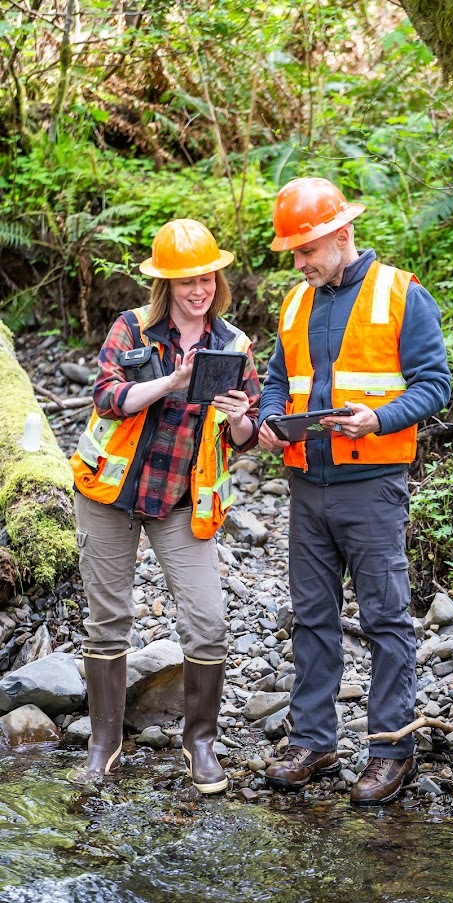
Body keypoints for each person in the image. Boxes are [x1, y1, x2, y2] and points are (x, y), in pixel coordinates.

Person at [258, 178, 451, 806]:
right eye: (294, 252)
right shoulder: (294, 303)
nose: (301, 262)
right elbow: (274, 383)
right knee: (311, 618)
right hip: (306, 487)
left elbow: (434, 385)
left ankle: (393, 748)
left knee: (386, 618)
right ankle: (313, 741)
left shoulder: (402, 294)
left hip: (372, 487)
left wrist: (378, 418)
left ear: (342, 234)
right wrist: (261, 423)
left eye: (308, 248)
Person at [68, 218, 260, 793]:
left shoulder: (234, 346)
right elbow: (106, 397)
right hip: (109, 494)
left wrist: (238, 418)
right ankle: (106, 741)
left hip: (182, 501)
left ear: (217, 280)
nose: (197, 290)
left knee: (208, 624)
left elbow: (247, 437)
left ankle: (199, 742)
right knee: (109, 621)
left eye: (205, 279)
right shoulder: (131, 329)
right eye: (185, 282)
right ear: (166, 286)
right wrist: (172, 381)